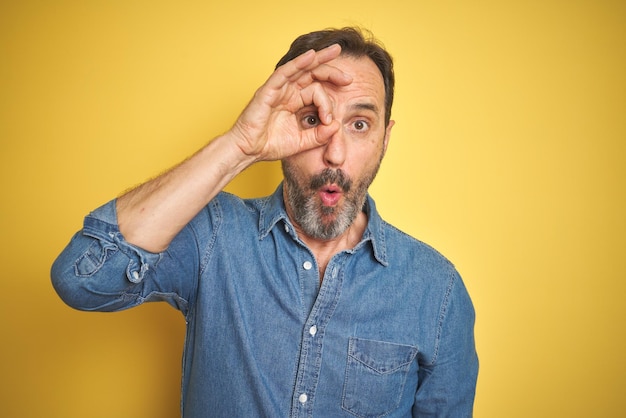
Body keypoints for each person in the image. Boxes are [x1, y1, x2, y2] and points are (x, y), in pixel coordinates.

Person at [52, 27, 478, 417]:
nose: (334, 154)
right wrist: (240, 146)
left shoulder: (436, 291)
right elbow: (82, 278)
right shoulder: (216, 235)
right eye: (312, 120)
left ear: (385, 139)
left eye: (360, 125)